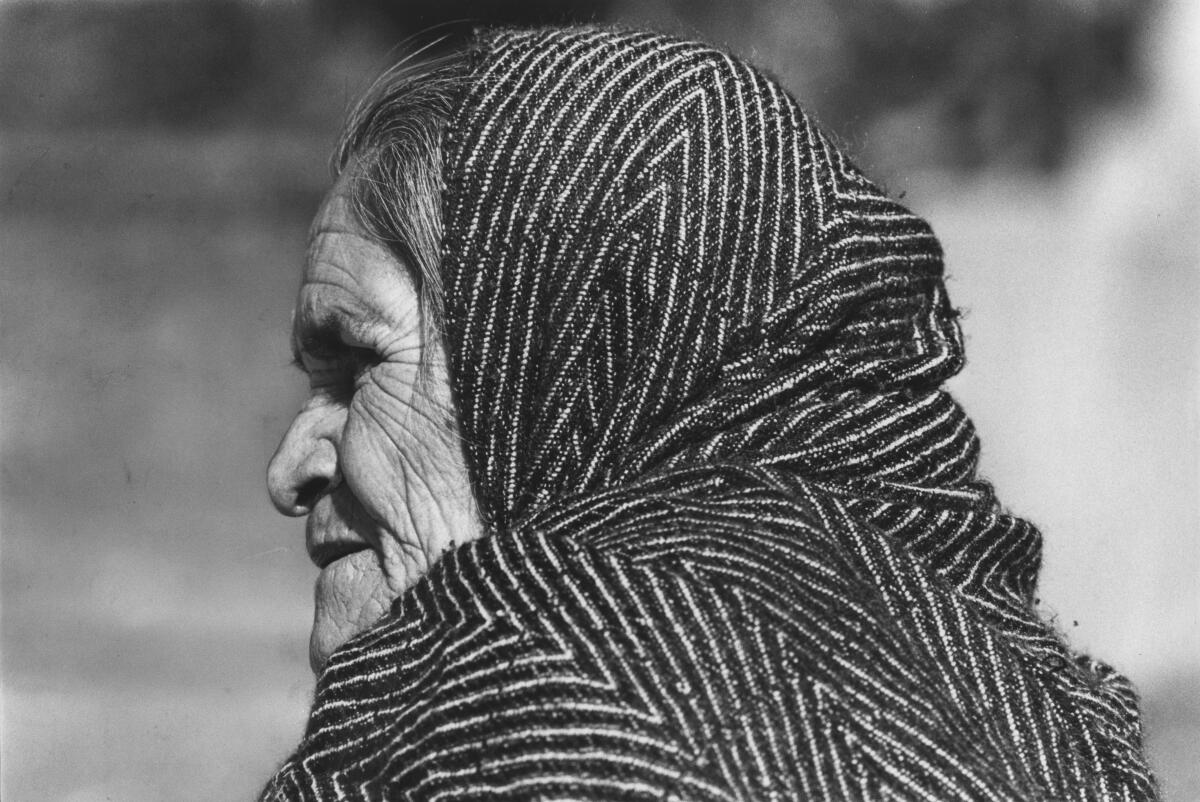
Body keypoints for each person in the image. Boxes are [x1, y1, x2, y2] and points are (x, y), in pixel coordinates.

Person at [262, 26, 1157, 800]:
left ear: (572, 359)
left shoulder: (516, 695)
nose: (289, 467)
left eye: (357, 366)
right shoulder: (1056, 727)